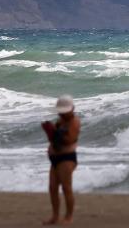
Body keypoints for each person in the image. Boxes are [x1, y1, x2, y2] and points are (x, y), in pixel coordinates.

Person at [40, 95, 80, 225]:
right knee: (52, 188)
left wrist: (56, 133)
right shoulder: (60, 121)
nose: (62, 114)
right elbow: (55, 141)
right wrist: (50, 133)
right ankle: (55, 216)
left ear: (72, 109)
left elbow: (70, 140)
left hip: (66, 158)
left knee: (66, 188)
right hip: (55, 158)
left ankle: (69, 216)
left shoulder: (74, 121)